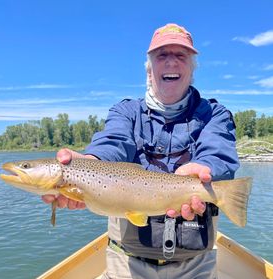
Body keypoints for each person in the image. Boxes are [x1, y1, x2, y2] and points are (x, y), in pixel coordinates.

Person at [42, 23, 239, 279]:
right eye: (162, 56)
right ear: (149, 71)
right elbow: (113, 142)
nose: (171, 63)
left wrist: (207, 169)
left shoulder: (215, 114)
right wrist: (89, 162)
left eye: (181, 56)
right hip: (126, 262)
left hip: (196, 264)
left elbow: (219, 152)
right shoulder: (126, 113)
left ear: (192, 71)